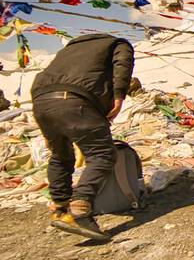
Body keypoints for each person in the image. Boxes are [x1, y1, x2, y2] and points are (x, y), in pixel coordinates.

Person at [31, 32, 134, 242]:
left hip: (41, 101)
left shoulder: (68, 50)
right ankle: (80, 209)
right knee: (102, 154)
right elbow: (122, 66)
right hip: (75, 100)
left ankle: (60, 208)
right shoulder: (118, 43)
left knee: (60, 155)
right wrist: (118, 96)